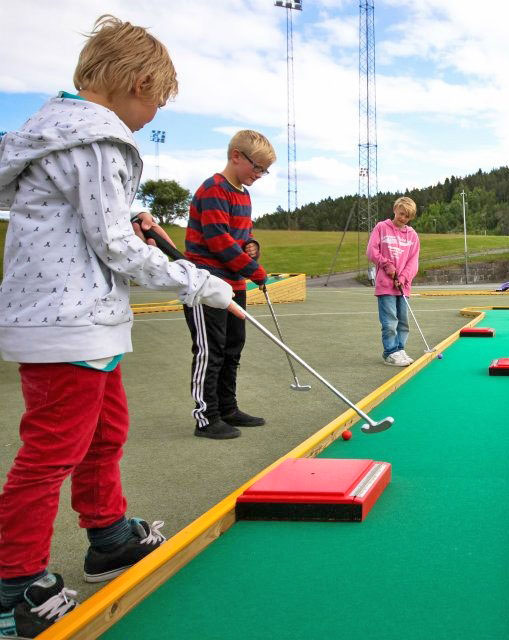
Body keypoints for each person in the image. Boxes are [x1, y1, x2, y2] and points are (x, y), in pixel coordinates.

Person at [0, 15, 236, 638]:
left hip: (87, 320)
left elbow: (101, 218)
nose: (154, 114)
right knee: (51, 452)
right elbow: (113, 243)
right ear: (136, 83)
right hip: (65, 322)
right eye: (157, 101)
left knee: (106, 433)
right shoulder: (96, 140)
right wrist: (200, 283)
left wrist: (138, 215)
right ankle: (11, 585)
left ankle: (107, 535)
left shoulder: (63, 134)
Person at [183, 130, 274, 439]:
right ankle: (206, 417)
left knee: (234, 346)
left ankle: (227, 408)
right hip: (206, 283)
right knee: (211, 350)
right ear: (236, 156)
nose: (260, 175)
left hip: (233, 284)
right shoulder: (213, 190)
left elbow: (240, 237)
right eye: (257, 167)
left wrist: (252, 247)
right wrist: (255, 270)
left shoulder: (244, 195)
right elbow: (219, 241)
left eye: (264, 170)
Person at [366, 197, 420, 366]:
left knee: (403, 321)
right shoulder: (381, 228)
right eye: (401, 213)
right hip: (385, 285)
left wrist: (403, 277)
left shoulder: (412, 235)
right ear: (395, 209)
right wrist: (386, 264)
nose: (403, 218)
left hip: (403, 286)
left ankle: (400, 349)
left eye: (407, 216)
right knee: (390, 322)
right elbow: (371, 251)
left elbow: (413, 261)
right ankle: (390, 352)